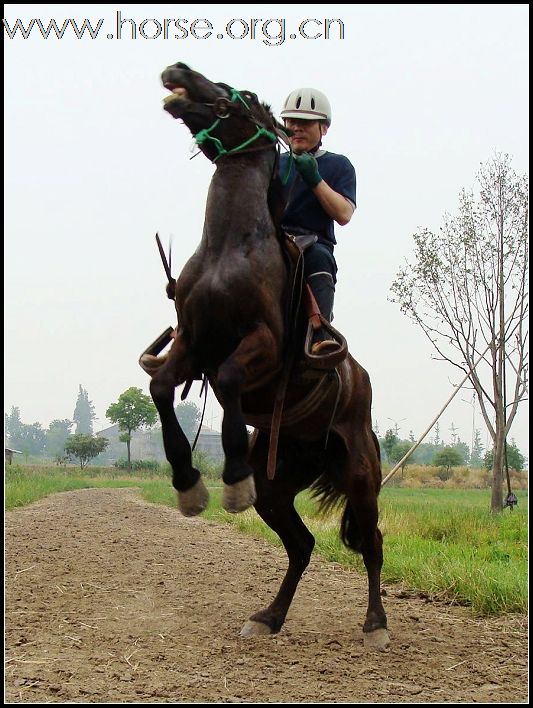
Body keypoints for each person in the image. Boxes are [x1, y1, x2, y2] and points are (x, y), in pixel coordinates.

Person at [278, 87, 356, 354]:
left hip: (311, 243)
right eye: (291, 122)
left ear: (323, 128)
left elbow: (344, 214)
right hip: (272, 239)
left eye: (305, 123)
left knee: (320, 258)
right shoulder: (273, 163)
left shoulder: (338, 165)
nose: (296, 128)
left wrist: (315, 179)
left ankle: (320, 332)